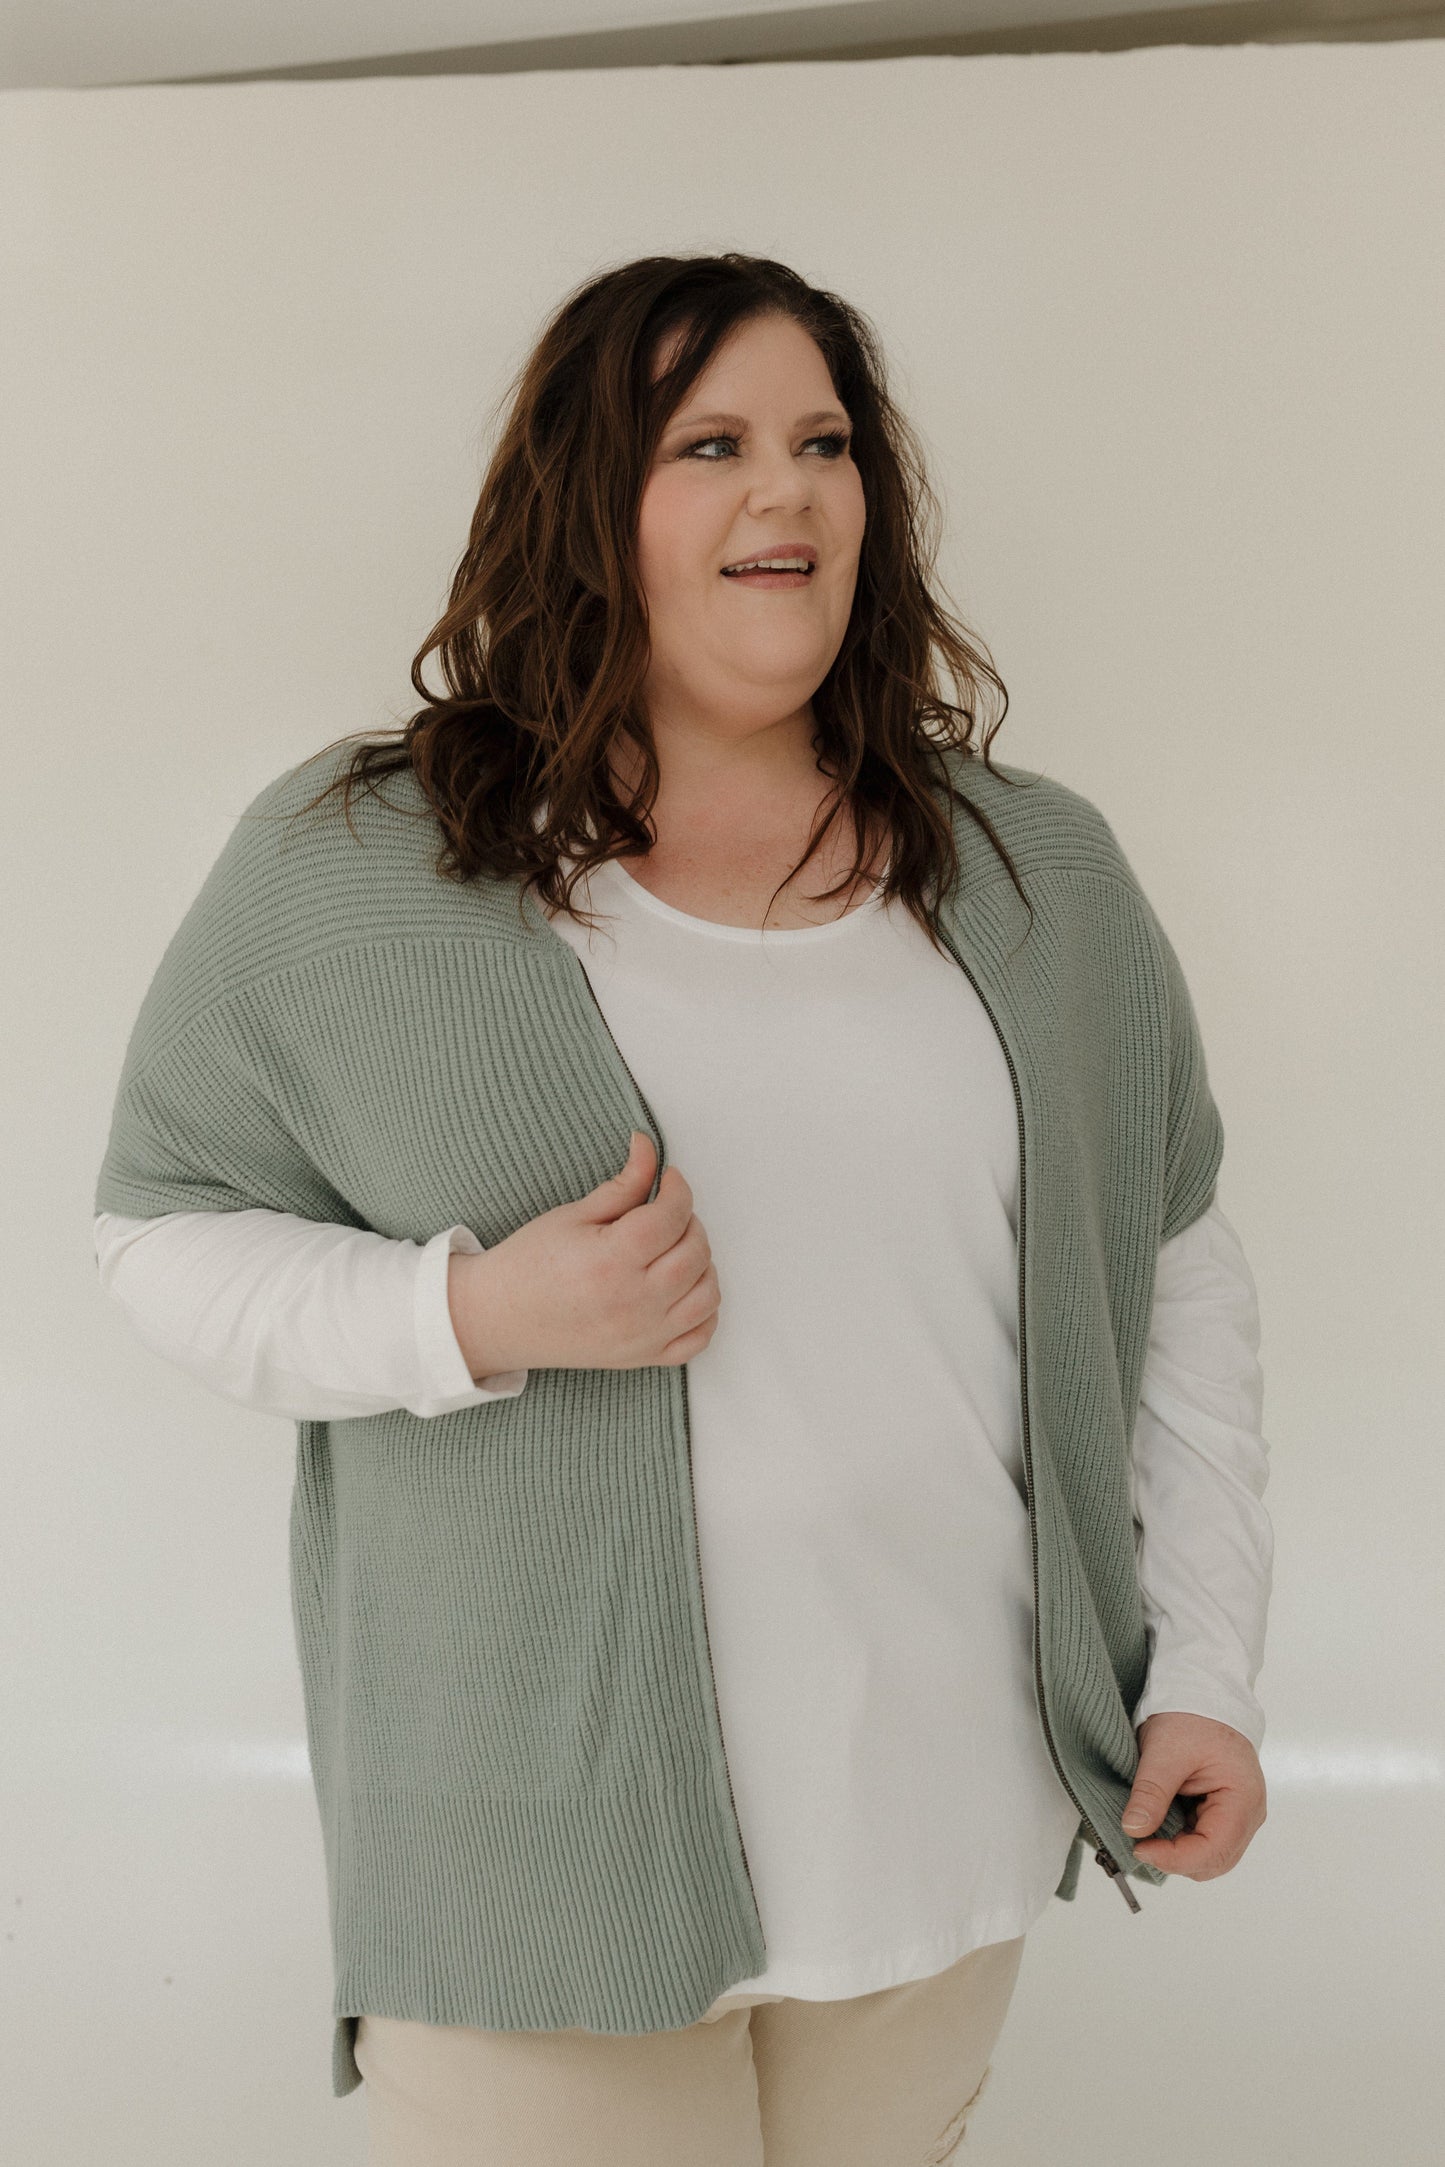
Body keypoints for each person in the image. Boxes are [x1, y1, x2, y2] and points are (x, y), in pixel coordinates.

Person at [92, 252, 1272, 2167]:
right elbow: (159, 1233)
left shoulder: (1031, 871)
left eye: (822, 443)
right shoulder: (364, 857)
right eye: (706, 443)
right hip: (528, 1853)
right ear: (587, 502)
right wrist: (469, 1319)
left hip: (941, 1819)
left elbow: (1177, 1282)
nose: (782, 493)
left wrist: (1200, 1673)